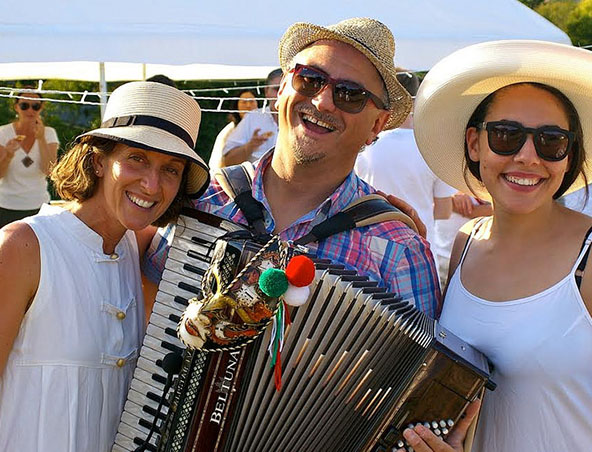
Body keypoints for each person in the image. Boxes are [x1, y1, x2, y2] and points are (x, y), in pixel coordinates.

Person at [145, 18, 442, 322]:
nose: (323, 101)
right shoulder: (203, 201)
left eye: (351, 94)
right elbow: (143, 306)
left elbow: (418, 369)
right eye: (310, 78)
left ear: (377, 124)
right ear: (283, 87)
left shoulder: (399, 251)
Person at [0, 81, 210, 451]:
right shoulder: (23, 245)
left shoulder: (139, 249)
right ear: (99, 160)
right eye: (137, 158)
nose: (151, 184)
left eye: (171, 169)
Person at [406, 40, 592, 452]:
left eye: (551, 141)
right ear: (474, 143)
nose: (528, 156)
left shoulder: (589, 258)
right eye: (506, 135)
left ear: (569, 155)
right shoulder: (465, 244)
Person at [355, 70, 456, 248]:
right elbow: (444, 211)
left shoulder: (367, 144)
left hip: (372, 243)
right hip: (419, 242)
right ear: (417, 102)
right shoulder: (432, 149)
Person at [0, 89, 59, 227]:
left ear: (41, 108)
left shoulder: (49, 133)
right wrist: (8, 155)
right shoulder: (3, 132)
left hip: (39, 206)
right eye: (24, 106)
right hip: (7, 206)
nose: (30, 110)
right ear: (16, 107)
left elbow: (49, 171)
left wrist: (41, 139)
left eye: (35, 106)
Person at [220, 68, 282, 166]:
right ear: (266, 91)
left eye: (286, 89)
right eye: (276, 89)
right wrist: (250, 146)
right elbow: (227, 161)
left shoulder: (305, 120)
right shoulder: (253, 118)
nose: (281, 94)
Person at [208, 89, 258, 175]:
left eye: (251, 101)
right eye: (244, 102)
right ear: (237, 106)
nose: (248, 105)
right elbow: (219, 163)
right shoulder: (229, 131)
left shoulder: (263, 126)